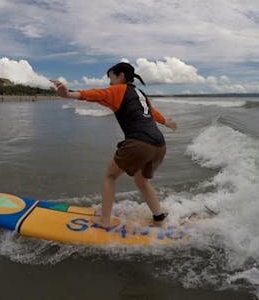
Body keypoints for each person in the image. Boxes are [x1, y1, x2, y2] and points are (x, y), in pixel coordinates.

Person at [50, 62, 177, 228]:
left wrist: (67, 94)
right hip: (159, 145)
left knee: (110, 177)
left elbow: (97, 93)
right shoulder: (139, 93)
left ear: (121, 76)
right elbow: (152, 112)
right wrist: (166, 122)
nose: (109, 83)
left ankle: (105, 221)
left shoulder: (119, 90)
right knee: (141, 181)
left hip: (139, 143)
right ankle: (159, 218)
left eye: (111, 78)